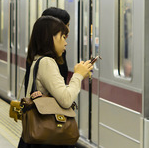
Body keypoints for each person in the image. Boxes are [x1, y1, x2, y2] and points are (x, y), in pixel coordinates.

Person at [18, 16, 93, 148]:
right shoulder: (47, 62)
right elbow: (65, 99)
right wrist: (78, 76)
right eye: (63, 37)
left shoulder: (38, 59)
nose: (65, 43)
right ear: (50, 37)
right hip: (48, 140)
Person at [24, 7, 71, 95]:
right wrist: (78, 76)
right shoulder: (47, 61)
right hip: (46, 107)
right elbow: (64, 97)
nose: (68, 30)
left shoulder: (36, 51)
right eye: (67, 26)